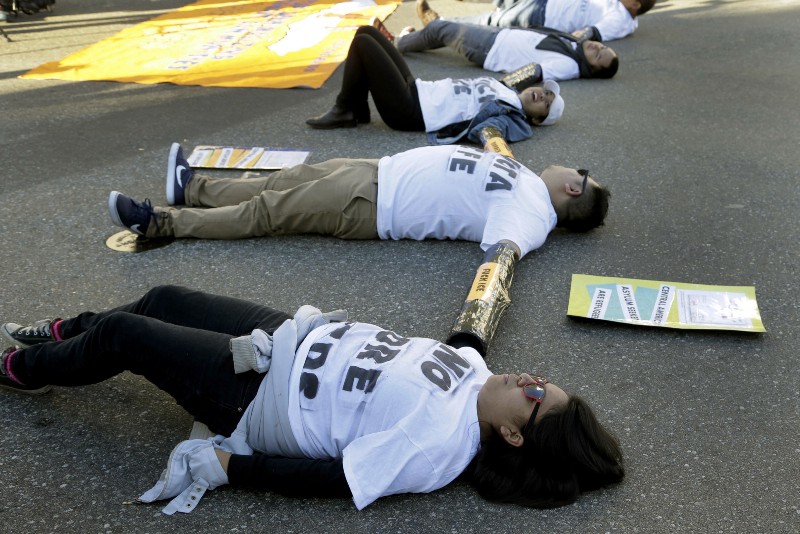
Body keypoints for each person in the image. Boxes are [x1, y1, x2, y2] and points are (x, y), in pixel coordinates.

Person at [0, 284, 626, 511]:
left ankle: (24, 369)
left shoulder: (437, 449)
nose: (530, 381)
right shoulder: (474, 371)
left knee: (126, 334)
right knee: (162, 299)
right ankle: (64, 335)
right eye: (541, 379)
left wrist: (232, 469)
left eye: (537, 396)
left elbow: (337, 479)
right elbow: (462, 339)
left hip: (262, 396)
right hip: (291, 335)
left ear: (515, 434)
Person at [106, 142, 611, 259]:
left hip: (374, 204)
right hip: (378, 172)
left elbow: (502, 258)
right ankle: (192, 187)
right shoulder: (526, 181)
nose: (575, 168)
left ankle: (162, 223)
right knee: (283, 181)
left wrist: (473, 332)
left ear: (573, 189)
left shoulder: (531, 219)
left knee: (268, 212)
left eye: (582, 175)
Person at [306, 25, 565, 147]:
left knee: (364, 46)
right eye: (547, 92)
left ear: (538, 120)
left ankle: (345, 109)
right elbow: (532, 68)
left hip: (411, 112)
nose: (543, 94)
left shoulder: (512, 118)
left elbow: (489, 131)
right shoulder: (506, 89)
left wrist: (496, 150)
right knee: (366, 32)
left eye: (546, 103)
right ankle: (357, 109)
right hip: (418, 89)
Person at [396, 19, 619, 81]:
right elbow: (589, 33)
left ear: (591, 69)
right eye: (603, 47)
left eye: (598, 55)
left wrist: (501, 87)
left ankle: (399, 43)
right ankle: (414, 39)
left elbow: (534, 71)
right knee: (445, 30)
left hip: (490, 49)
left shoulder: (569, 65)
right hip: (500, 35)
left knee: (441, 28)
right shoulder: (576, 48)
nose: (597, 47)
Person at [419, 0, 657, 42]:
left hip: (544, 16)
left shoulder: (619, 19)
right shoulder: (617, 5)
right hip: (546, 2)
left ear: (635, 5)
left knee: (491, 20)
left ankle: (439, 23)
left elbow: (590, 32)